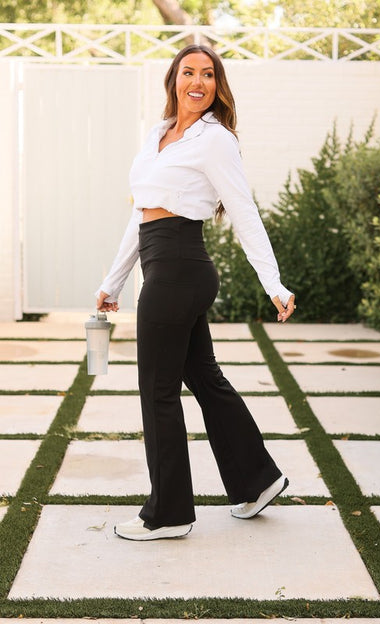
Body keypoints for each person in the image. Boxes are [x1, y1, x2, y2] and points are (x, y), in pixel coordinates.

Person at [96, 44, 296, 542]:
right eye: (189, 72)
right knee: (204, 377)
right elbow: (141, 214)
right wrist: (112, 282)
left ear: (217, 86)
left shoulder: (216, 140)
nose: (198, 82)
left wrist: (272, 283)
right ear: (174, 80)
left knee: (157, 390)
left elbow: (244, 211)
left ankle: (169, 514)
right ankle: (258, 480)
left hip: (179, 268)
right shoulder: (158, 134)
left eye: (208, 74)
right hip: (165, 265)